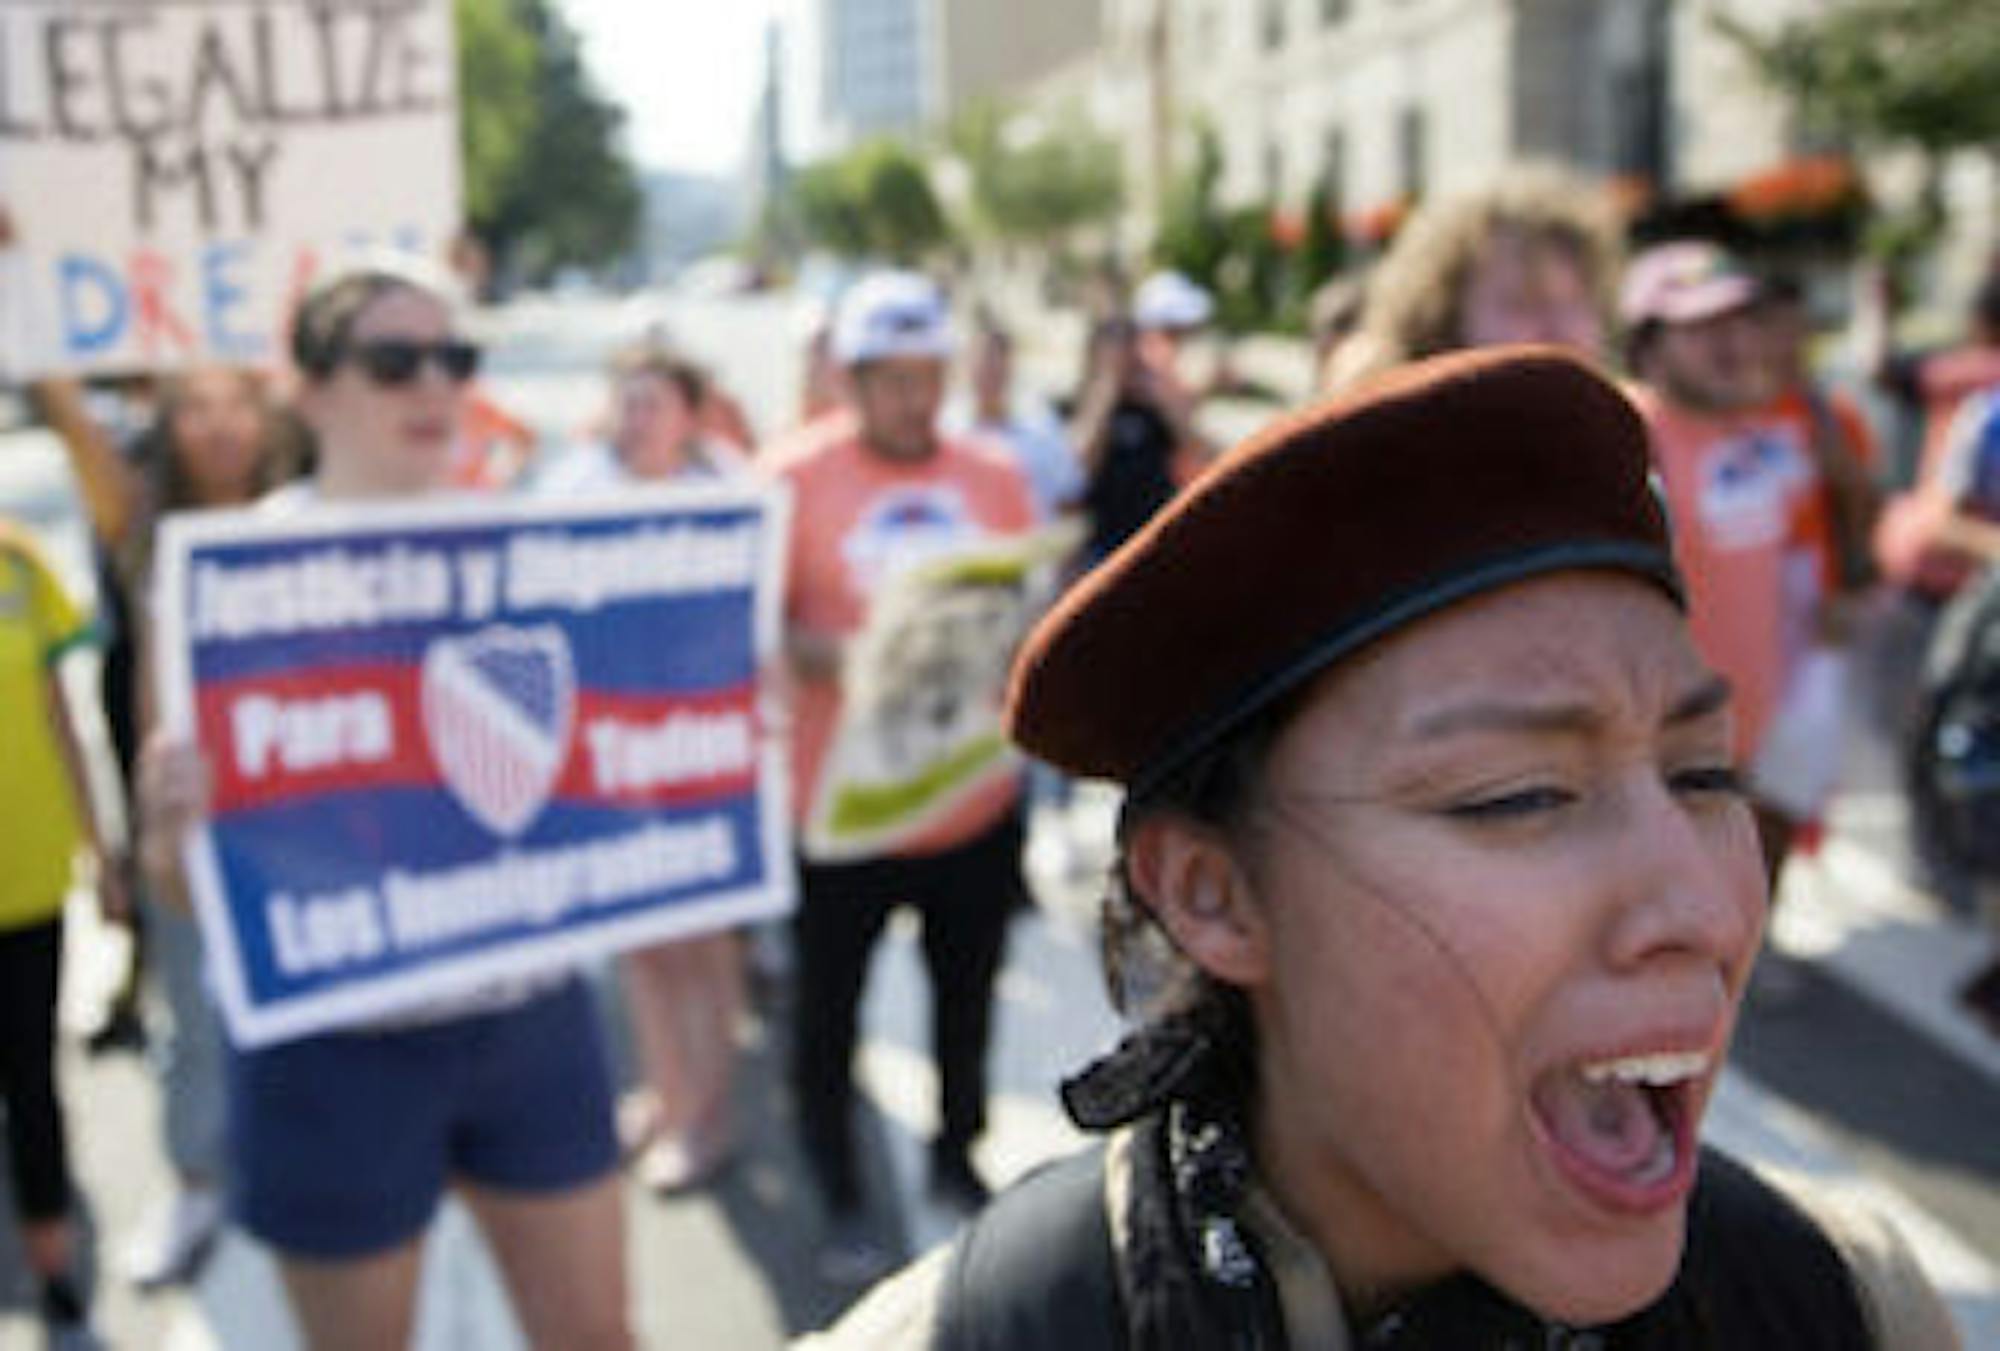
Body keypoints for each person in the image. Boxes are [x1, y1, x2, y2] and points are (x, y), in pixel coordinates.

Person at [801, 346, 1961, 1350]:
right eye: (1519, 796)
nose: (1704, 907)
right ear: (1213, 893)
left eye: (1702, 775)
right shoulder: (983, 1331)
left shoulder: (1844, 1303)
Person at [137, 260, 634, 1351]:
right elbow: (179, 882)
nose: (433, 384)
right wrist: (173, 824)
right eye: (392, 359)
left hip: (528, 1015)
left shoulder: (534, 552)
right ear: (307, 390)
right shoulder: (228, 579)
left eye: (453, 357)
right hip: (334, 1045)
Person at [766, 270, 1036, 1282]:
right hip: (840, 816)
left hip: (970, 802)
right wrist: (841, 656)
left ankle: (954, 1152)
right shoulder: (788, 480)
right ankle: (836, 1184)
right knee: (825, 1014)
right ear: (850, 379)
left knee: (963, 1002)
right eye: (892, 379)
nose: (914, 399)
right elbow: (758, 629)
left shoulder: (994, 473)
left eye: (929, 376)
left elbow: (1026, 596)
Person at [36, 364, 304, 1290]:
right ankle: (196, 1183)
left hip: (306, 816)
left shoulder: (311, 511)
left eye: (238, 402)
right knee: (191, 1015)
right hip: (195, 819)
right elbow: (65, 410)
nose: (220, 427)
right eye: (196, 408)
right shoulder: (147, 526)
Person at [535, 342, 751, 1194]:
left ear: (689, 415)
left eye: (653, 402)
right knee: (640, 943)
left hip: (701, 755)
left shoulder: (724, 493)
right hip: (611, 753)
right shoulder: (578, 489)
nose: (636, 418)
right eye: (625, 400)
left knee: (700, 941)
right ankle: (667, 1093)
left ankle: (712, 1109)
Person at [1623, 240, 1878, 905]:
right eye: (1703, 326)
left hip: (1742, 732)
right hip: (1655, 747)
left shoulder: (1754, 428)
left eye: (1741, 320)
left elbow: (1811, 531)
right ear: (1648, 346)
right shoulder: (1628, 432)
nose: (1734, 342)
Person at [0, 518, 122, 1350]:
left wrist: (100, 848)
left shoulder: (20, 565)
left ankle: (54, 1271)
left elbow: (62, 719)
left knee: (32, 1081)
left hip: (31, 880)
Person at [1324, 164, 1621, 389]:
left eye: (1576, 303)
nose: (1561, 329)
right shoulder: (1391, 439)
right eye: (1523, 302)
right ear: (1441, 316)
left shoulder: (1610, 441)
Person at [1068, 313, 1217, 567]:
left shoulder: (1155, 408)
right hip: (1102, 546)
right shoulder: (1079, 406)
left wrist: (1164, 398)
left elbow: (1204, 456)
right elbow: (1077, 470)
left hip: (1155, 540)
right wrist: (1107, 390)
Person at [949, 313, 1082, 523]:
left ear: (1010, 365)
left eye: (996, 360)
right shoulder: (946, 428)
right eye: (981, 360)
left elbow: (1069, 498)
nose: (989, 370)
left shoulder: (1042, 428)